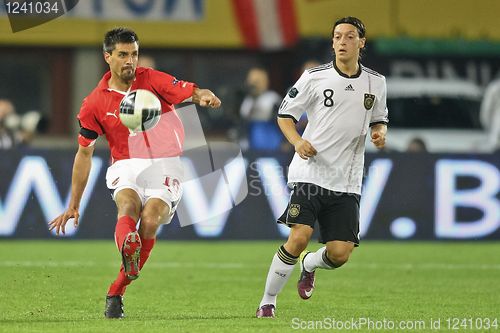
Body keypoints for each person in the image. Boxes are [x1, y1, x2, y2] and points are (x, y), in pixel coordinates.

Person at [48, 27, 221, 319]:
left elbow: (188, 90)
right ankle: (129, 249)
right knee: (128, 205)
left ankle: (117, 288)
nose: (131, 61)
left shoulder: (151, 79)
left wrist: (202, 95)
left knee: (150, 220)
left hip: (165, 161)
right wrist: (74, 204)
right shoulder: (94, 103)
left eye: (134, 54)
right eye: (123, 55)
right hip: (126, 163)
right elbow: (85, 153)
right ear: (108, 57)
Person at [255, 16, 388, 318]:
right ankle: (268, 301)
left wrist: (380, 133)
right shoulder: (314, 77)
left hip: (347, 179)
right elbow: (285, 115)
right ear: (332, 42)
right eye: (338, 36)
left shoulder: (376, 82)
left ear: (361, 42)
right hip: (310, 171)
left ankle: (310, 264)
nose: (342, 41)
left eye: (350, 37)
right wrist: (297, 141)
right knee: (299, 235)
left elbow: (379, 118)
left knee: (340, 255)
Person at [239, 67, 282, 150]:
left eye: (257, 81)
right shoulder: (246, 101)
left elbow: (283, 123)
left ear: (265, 82)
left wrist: (285, 142)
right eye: (251, 81)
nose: (253, 85)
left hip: (272, 146)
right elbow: (242, 123)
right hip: (251, 146)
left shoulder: (272, 98)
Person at [480, 78, 500, 152]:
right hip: (496, 140)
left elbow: (485, 112)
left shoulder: (494, 87)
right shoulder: (495, 87)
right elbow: (485, 112)